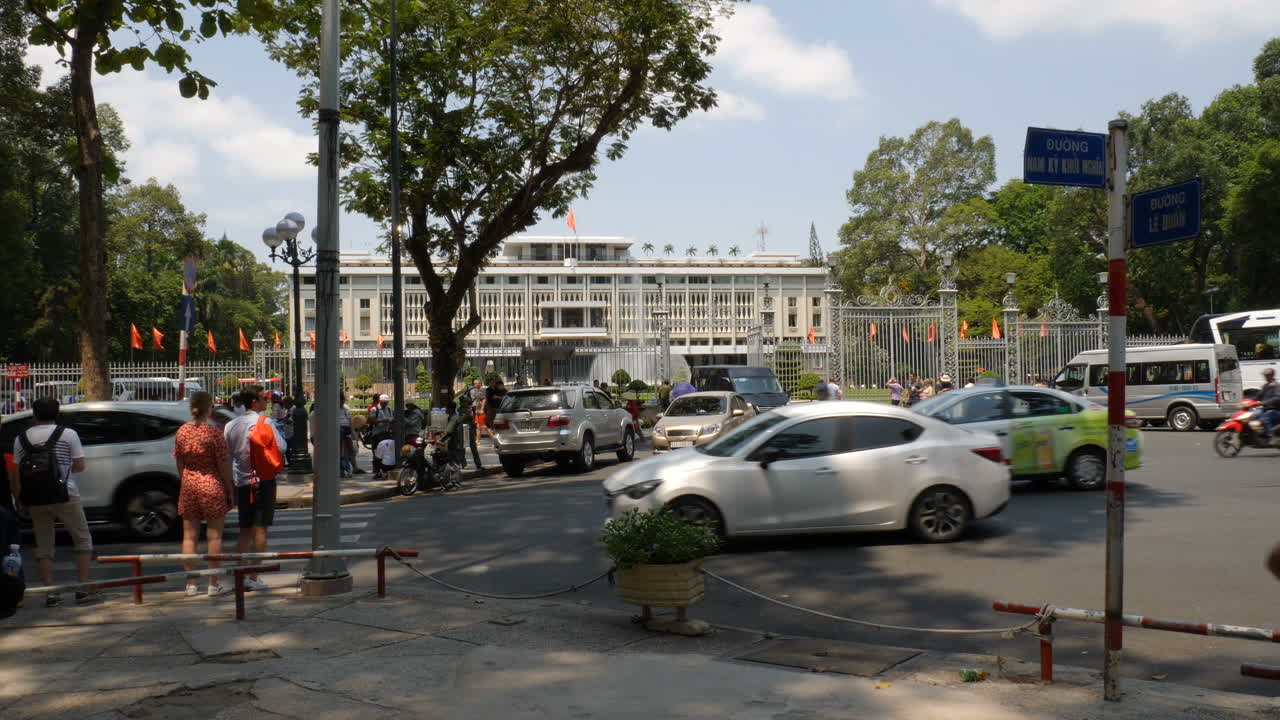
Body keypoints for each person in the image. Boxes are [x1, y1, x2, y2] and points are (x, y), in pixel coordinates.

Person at [10, 397, 97, 607]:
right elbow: (80, 466)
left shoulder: (21, 439)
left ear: (34, 415)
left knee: (44, 545)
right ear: (57, 414)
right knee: (82, 539)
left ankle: (50, 593)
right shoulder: (68, 434)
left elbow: (16, 473)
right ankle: (82, 587)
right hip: (66, 493)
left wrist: (20, 499)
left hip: (36, 498)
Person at [223, 385, 286, 592]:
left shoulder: (230, 425)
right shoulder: (265, 421)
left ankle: (240, 574)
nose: (266, 401)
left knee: (244, 531)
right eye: (262, 398)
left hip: (242, 482)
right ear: (254, 402)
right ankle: (254, 575)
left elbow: (228, 455)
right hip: (263, 481)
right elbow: (282, 446)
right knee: (260, 530)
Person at [173, 391, 235, 597]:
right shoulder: (214, 432)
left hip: (189, 486)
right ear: (209, 408)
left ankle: (191, 584)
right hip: (212, 485)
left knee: (189, 537)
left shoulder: (182, 431)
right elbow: (223, 464)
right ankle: (213, 583)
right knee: (214, 537)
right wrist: (230, 488)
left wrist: (187, 479)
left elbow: (179, 461)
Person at [456, 393, 484, 469]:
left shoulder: (469, 409)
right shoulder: (459, 411)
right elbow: (459, 420)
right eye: (466, 402)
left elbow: (472, 420)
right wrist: (467, 414)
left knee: (473, 447)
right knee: (462, 448)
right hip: (463, 429)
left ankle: (478, 464)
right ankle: (463, 464)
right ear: (462, 403)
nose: (468, 404)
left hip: (469, 428)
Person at [1255, 368, 1280, 445]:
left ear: (1271, 375)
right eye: (1265, 375)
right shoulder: (1265, 386)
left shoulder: (1276, 386)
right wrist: (1249, 402)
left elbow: (1277, 398)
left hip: (1275, 410)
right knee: (1253, 415)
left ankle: (1272, 436)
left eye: (1266, 375)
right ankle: (1258, 435)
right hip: (1266, 409)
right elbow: (1258, 396)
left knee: (1265, 418)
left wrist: (1264, 402)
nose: (1265, 377)